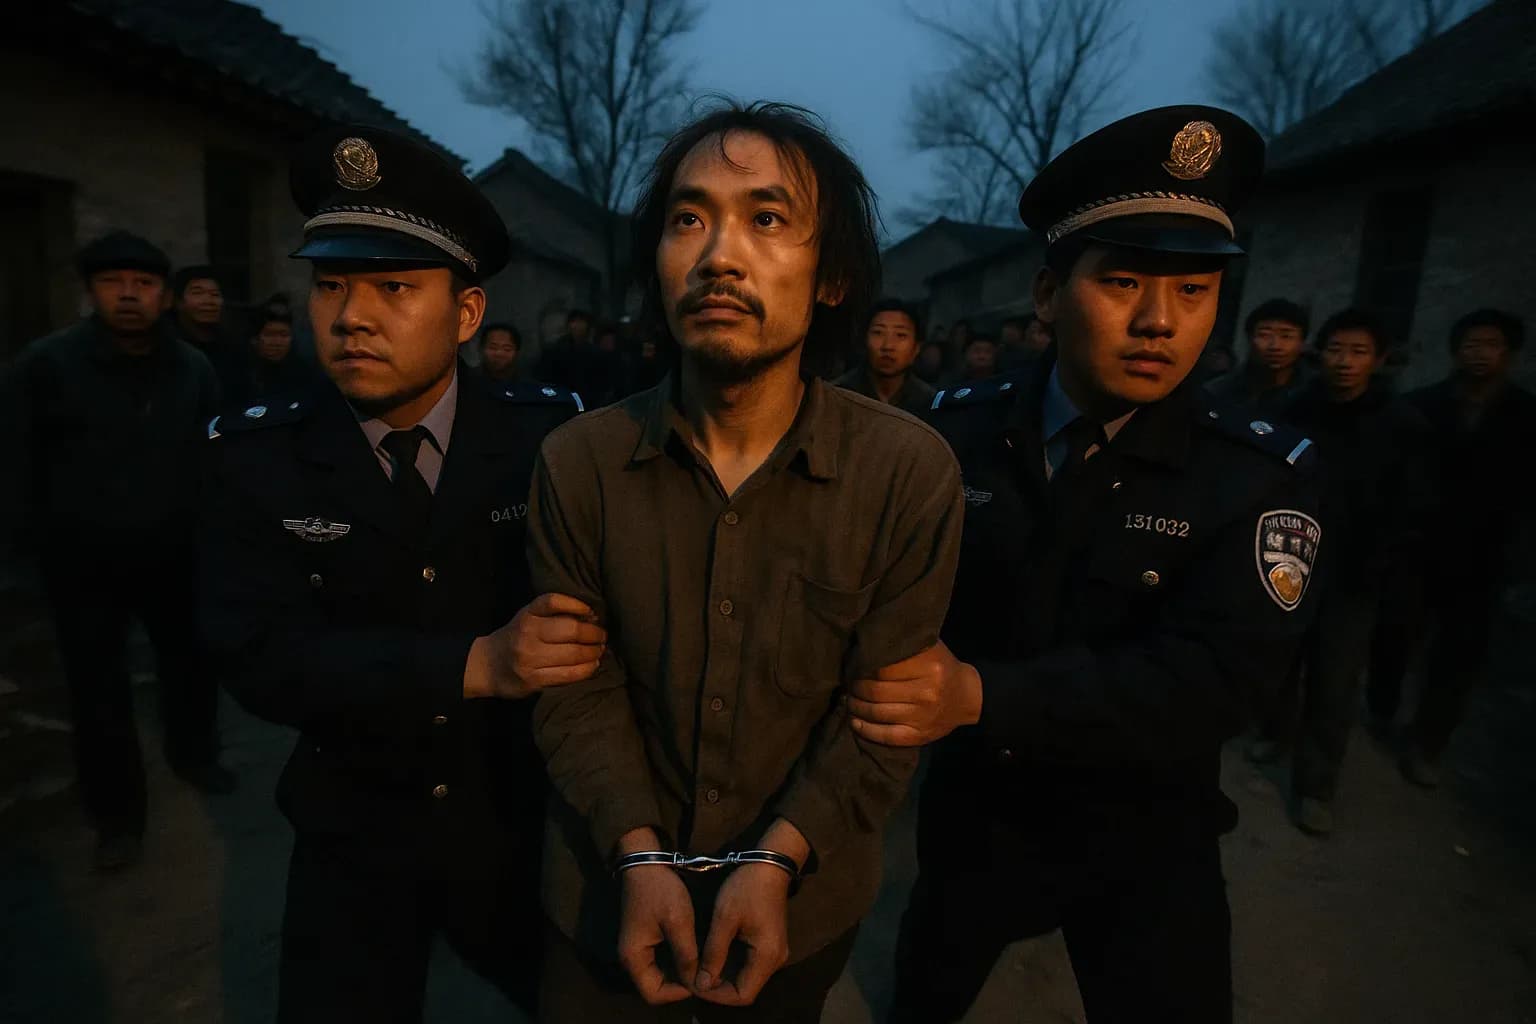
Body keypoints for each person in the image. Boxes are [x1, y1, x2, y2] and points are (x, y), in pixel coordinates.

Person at [841, 106, 1324, 1023]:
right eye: (1126, 281)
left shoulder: (1256, 475)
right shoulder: (963, 433)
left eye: (1193, 292)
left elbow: (1222, 679)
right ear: (1049, 296)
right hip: (979, 817)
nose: (1158, 322)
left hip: (1148, 830)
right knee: (925, 996)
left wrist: (982, 695)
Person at [527, 101, 964, 1022]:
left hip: (802, 907)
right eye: (689, 218)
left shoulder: (907, 472)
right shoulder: (579, 462)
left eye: (768, 220)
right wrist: (637, 854)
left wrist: (777, 861)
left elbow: (887, 712)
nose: (720, 255)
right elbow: (573, 683)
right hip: (602, 893)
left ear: (834, 274)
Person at [199, 125, 595, 1022]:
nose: (351, 317)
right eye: (330, 285)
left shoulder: (547, 441)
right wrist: (472, 666)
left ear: (465, 314)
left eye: (394, 288)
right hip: (354, 825)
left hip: (518, 821)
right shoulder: (259, 455)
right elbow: (258, 653)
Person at [1, 231, 233, 871]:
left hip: (174, 555)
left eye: (144, 283)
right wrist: (24, 557)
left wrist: (217, 539)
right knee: (97, 692)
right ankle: (118, 819)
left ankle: (195, 754)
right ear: (90, 291)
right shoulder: (44, 367)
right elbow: (16, 467)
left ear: (164, 296)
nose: (129, 294)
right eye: (113, 282)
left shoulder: (192, 369)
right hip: (83, 562)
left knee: (190, 668)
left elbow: (217, 461)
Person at [1251, 309, 1430, 835]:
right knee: (1279, 658)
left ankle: (1316, 786)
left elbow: (1413, 509)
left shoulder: (1402, 425)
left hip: (1356, 574)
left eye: (1357, 352)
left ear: (1378, 360)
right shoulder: (1296, 408)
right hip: (1289, 560)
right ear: (1319, 353)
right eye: (1335, 350)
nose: (1345, 362)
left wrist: (1385, 567)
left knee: (1334, 680)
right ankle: (1274, 732)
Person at [1367, 309, 1535, 786]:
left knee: (1458, 658)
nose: (1480, 353)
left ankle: (1426, 743)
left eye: (1492, 345)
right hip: (1418, 548)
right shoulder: (1422, 405)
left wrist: (1517, 557)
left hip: (1485, 556)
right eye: (1472, 344)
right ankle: (1381, 708)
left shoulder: (1525, 415)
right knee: (1395, 637)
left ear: (1509, 354)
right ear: (1455, 350)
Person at [1207, 297, 1314, 414]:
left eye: (1286, 336)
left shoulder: (1314, 393)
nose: (1275, 346)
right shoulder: (1220, 390)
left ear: (1302, 343)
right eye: (1264, 335)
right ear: (1250, 339)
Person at [833, 298, 936, 415]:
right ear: (864, 340)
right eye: (878, 333)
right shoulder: (839, 393)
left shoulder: (930, 402)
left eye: (900, 335)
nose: (888, 346)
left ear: (916, 348)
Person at [170, 265, 243, 395]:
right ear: (178, 302)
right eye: (197, 293)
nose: (209, 301)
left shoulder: (234, 348)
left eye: (215, 294)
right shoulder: (167, 348)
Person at [228, 306, 319, 405]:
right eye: (269, 334)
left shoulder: (304, 372)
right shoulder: (239, 372)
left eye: (284, 335)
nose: (277, 342)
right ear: (254, 339)